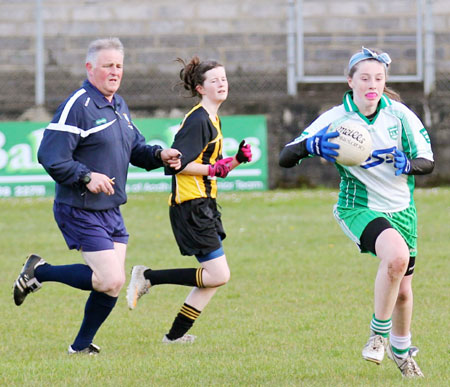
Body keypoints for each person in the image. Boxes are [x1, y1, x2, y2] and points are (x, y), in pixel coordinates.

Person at [12, 37, 181, 355]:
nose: (115, 72)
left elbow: (135, 149)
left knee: (112, 284)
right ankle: (40, 272)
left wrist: (160, 155)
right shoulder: (78, 105)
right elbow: (50, 155)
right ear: (90, 68)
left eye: (119, 66)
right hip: (79, 206)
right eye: (108, 66)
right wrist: (86, 176)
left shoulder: (118, 104)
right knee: (109, 278)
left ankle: (80, 347)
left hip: (111, 208)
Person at [279, 47, 434, 378]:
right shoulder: (337, 119)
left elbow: (427, 161)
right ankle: (377, 335)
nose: (372, 84)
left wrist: (408, 163)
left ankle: (401, 350)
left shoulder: (400, 115)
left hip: (402, 210)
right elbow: (285, 157)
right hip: (358, 207)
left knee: (404, 291)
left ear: (385, 82)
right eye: (364, 78)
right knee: (395, 258)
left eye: (378, 78)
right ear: (350, 81)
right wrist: (309, 146)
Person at [126, 56, 252, 343]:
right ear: (200, 88)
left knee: (213, 278)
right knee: (217, 275)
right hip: (191, 206)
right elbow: (177, 163)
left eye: (224, 79)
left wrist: (235, 161)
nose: (222, 84)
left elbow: (212, 169)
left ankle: (174, 337)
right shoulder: (198, 120)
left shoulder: (211, 118)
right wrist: (213, 168)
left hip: (203, 204)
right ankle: (148, 277)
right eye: (214, 81)